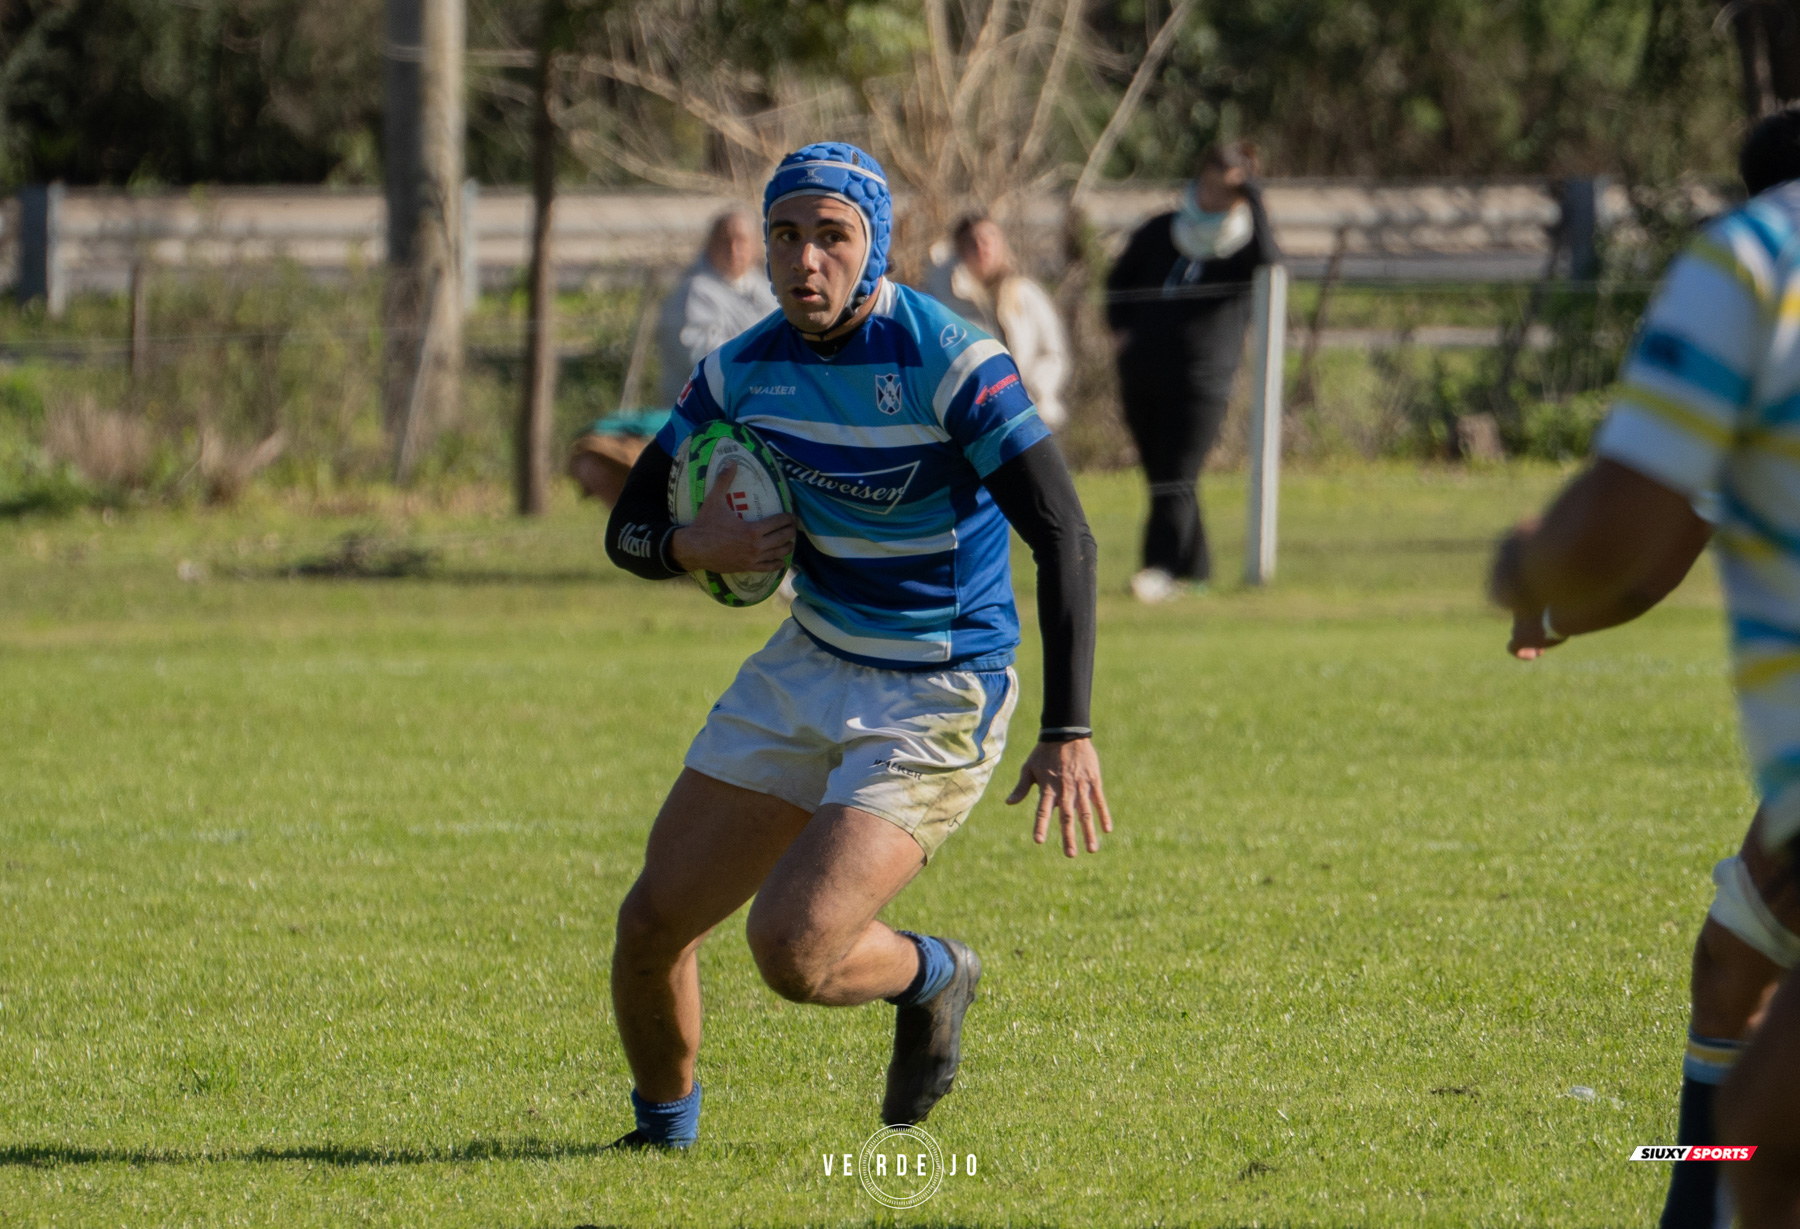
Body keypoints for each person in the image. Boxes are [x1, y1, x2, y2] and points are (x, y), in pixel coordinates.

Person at [601, 142, 1112, 1149]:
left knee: (791, 949)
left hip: (940, 684)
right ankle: (659, 1142)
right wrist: (686, 544)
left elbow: (1065, 535)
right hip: (810, 657)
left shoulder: (949, 360)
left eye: (831, 236)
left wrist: (1070, 726)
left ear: (878, 242)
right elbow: (625, 527)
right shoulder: (741, 371)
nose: (804, 261)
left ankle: (935, 971)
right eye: (786, 236)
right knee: (652, 923)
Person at [1489, 107, 1800, 1229]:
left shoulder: (1764, 269)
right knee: (1736, 978)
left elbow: (1634, 529)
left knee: (1760, 1066)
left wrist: (1531, 575)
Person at [1105, 140, 1278, 602]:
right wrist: (1122, 330)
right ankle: (1196, 568)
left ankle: (1157, 567)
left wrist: (1254, 195)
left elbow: (1270, 261)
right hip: (1143, 374)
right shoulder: (1162, 230)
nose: (1212, 195)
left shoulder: (1242, 243)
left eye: (1227, 188)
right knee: (1163, 472)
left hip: (1203, 379)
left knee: (1177, 474)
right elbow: (1118, 281)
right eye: (1209, 182)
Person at [568, 209, 777, 506]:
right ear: (710, 244)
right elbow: (702, 359)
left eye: (742, 240)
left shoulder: (768, 293)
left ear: (755, 245)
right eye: (725, 240)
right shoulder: (694, 293)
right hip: (703, 420)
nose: (734, 249)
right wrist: (763, 370)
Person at [926, 214, 1071, 429]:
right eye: (973, 241)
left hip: (1033, 415)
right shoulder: (941, 300)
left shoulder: (1026, 294)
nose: (982, 247)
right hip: (970, 419)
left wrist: (1030, 391)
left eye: (988, 238)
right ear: (960, 249)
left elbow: (1054, 354)